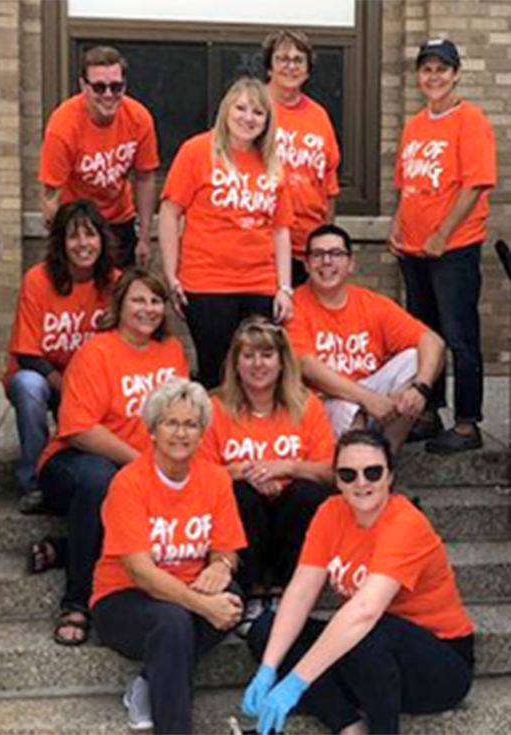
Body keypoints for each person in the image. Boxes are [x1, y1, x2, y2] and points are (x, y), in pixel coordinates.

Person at [242, 428, 474, 735]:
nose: (361, 483)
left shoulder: (405, 523)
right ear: (337, 480)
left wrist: (296, 682)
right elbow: (301, 591)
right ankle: (348, 726)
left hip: (438, 665)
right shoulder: (330, 512)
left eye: (373, 472)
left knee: (363, 628)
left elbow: (365, 610)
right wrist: (269, 668)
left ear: (390, 477)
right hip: (369, 658)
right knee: (265, 629)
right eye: (348, 475)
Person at [37, 268, 189, 646]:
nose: (148, 308)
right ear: (119, 305)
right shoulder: (96, 351)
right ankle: (76, 602)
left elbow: (183, 415)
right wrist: (142, 462)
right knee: (99, 480)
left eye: (156, 300)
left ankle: (66, 547)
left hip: (142, 468)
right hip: (74, 463)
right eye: (138, 299)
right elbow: (80, 429)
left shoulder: (170, 351)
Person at [91, 378, 246, 734]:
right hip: (123, 600)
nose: (181, 433)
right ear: (153, 430)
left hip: (183, 594)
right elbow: (141, 572)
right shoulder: (128, 483)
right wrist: (202, 604)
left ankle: (148, 681)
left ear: (202, 432)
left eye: (191, 424)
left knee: (233, 599)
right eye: (171, 423)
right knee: (173, 621)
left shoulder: (215, 479)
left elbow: (227, 547)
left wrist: (222, 566)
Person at [389, 39, 497, 454]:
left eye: (442, 69)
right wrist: (398, 225)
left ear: (455, 73)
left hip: (453, 249)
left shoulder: (470, 121)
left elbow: (474, 185)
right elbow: (407, 184)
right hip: (414, 250)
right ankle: (430, 413)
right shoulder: (416, 124)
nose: (433, 76)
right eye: (427, 69)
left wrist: (442, 234)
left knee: (459, 335)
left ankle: (468, 424)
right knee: (425, 335)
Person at [159, 76, 294, 389]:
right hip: (207, 283)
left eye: (258, 112)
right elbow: (169, 212)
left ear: (267, 120)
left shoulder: (272, 163)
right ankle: (215, 437)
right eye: (241, 108)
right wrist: (171, 275)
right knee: (216, 372)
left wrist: (284, 288)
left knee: (258, 374)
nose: (248, 118)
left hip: (259, 285)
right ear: (226, 110)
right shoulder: (196, 151)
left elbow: (280, 230)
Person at [200, 316, 335, 618]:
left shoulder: (307, 404)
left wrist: (285, 468)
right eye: (248, 355)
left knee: (307, 493)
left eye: (266, 354)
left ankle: (286, 589)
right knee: (240, 493)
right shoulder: (214, 407)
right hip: (243, 514)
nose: (257, 364)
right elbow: (199, 476)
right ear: (235, 364)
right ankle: (252, 589)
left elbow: (329, 472)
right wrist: (247, 472)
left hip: (290, 511)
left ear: (282, 362)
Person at [287, 224, 445, 450]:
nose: (327, 261)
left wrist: (419, 389)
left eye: (336, 254)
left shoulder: (370, 303)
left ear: (350, 264)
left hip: (373, 398)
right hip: (322, 402)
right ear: (307, 265)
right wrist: (367, 400)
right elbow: (307, 366)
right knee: (347, 407)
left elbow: (433, 341)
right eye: (318, 254)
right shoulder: (295, 305)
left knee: (419, 358)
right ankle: (355, 472)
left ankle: (386, 461)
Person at [4, 200, 117, 515]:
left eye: (90, 235)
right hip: (46, 376)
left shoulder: (115, 283)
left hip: (92, 384)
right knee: (28, 386)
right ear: (60, 244)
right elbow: (27, 355)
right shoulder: (38, 280)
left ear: (102, 239)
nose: (83, 244)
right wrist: (70, 389)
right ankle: (34, 480)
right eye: (73, 236)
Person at [39, 46, 160, 268]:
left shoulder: (139, 118)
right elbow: (50, 194)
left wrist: (144, 238)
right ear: (83, 86)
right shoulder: (63, 126)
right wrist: (60, 243)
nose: (108, 95)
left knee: (121, 292)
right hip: (76, 222)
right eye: (99, 87)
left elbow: (145, 177)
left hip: (119, 219)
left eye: (116, 87)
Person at [263, 30, 341, 285]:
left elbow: (328, 186)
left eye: (298, 60)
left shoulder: (319, 116)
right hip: (262, 245)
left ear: (307, 70)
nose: (290, 66)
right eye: (282, 58)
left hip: (307, 247)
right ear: (269, 67)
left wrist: (324, 243)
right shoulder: (252, 109)